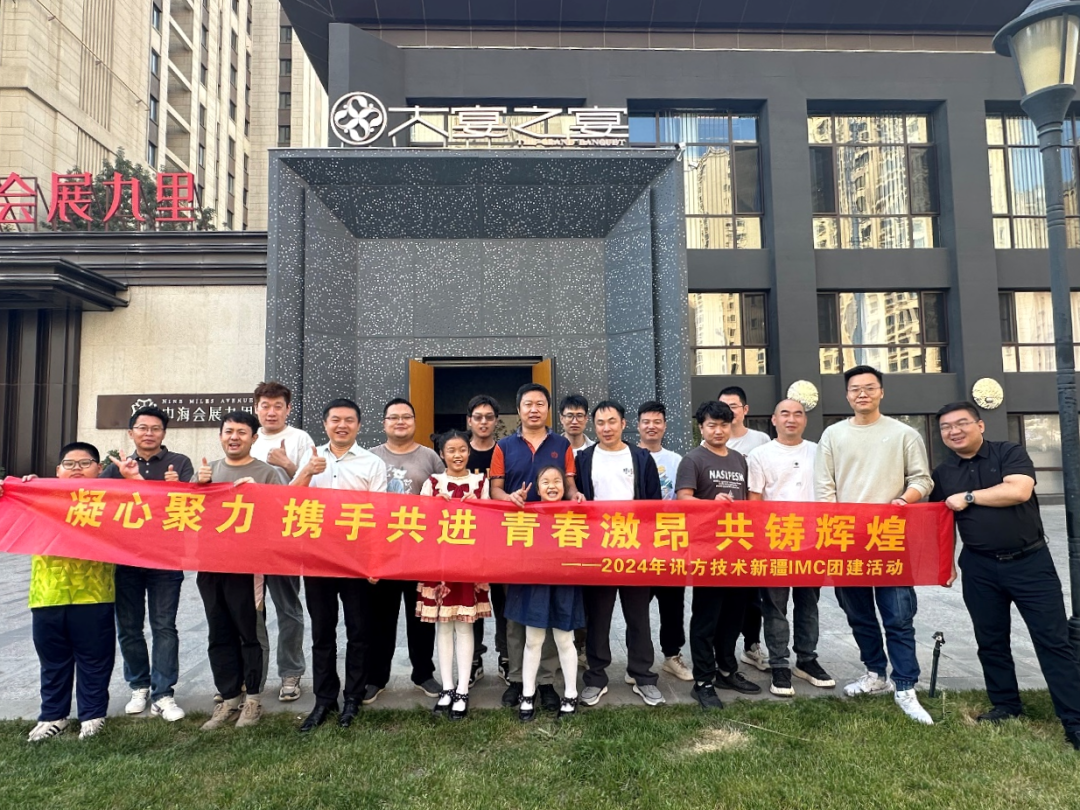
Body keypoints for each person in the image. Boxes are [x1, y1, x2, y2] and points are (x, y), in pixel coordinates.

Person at [931, 401, 1080, 747]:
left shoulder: (1009, 452)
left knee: (1052, 640)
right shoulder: (944, 472)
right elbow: (941, 519)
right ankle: (1006, 705)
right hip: (979, 566)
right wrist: (945, 562)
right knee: (991, 641)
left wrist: (969, 497)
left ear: (980, 425)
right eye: (946, 427)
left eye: (961, 423)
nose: (954, 431)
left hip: (1030, 563)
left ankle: (1074, 719)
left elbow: (1018, 490)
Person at [814, 365, 934, 725]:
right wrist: (837, 527)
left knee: (898, 615)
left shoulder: (903, 434)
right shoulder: (833, 434)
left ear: (881, 392)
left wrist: (903, 500)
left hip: (889, 538)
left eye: (869, 387)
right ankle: (875, 673)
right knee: (859, 613)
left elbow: (922, 479)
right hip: (846, 539)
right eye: (855, 389)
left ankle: (905, 686)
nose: (862, 394)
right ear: (847, 395)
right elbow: (824, 487)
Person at [13, 442, 132, 741]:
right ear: (58, 470)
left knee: (95, 659)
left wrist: (132, 480)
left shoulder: (111, 501)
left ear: (99, 469)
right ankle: (53, 716)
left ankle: (93, 715)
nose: (77, 468)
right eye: (69, 464)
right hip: (47, 594)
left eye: (85, 463)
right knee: (53, 661)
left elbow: (143, 512)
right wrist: (16, 488)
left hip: (94, 594)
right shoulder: (39, 498)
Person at [293, 398, 388, 731]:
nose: (342, 425)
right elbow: (290, 501)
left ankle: (353, 698)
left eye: (349, 420)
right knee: (322, 632)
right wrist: (307, 472)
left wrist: (375, 561)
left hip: (356, 560)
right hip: (318, 558)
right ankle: (324, 699)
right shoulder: (310, 457)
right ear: (325, 424)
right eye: (335, 420)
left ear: (359, 426)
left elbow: (379, 516)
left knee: (359, 631)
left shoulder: (372, 463)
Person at [490, 382, 583, 712]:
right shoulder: (503, 447)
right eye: (528, 404)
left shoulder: (561, 444)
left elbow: (569, 485)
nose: (534, 409)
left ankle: (546, 682)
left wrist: (576, 496)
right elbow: (495, 490)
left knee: (549, 611)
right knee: (518, 612)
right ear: (518, 409)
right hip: (517, 539)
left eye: (540, 403)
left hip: (555, 541)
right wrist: (509, 497)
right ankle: (517, 679)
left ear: (548, 409)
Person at [191, 411, 286, 731]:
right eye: (229, 431)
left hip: (248, 567)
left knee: (250, 632)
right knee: (218, 631)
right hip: (210, 565)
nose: (234, 437)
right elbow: (188, 514)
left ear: (254, 438)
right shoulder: (208, 472)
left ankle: (254, 698)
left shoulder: (267, 473)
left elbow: (280, 516)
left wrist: (257, 497)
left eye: (242, 432)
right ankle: (229, 697)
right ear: (220, 436)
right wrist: (198, 487)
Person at [100, 405, 193, 723]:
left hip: (165, 559)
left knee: (164, 626)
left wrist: (175, 488)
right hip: (125, 558)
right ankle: (139, 685)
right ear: (131, 433)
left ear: (164, 433)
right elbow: (88, 497)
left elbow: (190, 505)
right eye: (142, 428)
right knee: (129, 627)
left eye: (155, 428)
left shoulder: (179, 463)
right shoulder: (115, 468)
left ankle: (163, 693)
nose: (149, 433)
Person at [575, 400, 664, 707]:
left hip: (635, 551)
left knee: (638, 617)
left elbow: (654, 505)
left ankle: (642, 676)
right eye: (600, 423)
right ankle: (596, 678)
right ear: (594, 426)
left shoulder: (641, 458)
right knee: (598, 618)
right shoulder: (584, 459)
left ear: (624, 424)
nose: (606, 428)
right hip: (598, 552)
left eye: (612, 421)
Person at [747, 399, 835, 696]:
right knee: (775, 606)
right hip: (776, 541)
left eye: (798, 414)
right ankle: (779, 664)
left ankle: (807, 660)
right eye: (784, 413)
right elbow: (755, 500)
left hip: (813, 541)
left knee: (808, 603)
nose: (791, 419)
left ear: (805, 420)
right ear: (774, 420)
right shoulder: (760, 454)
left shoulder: (819, 451)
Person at [676, 400, 761, 710]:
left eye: (724, 425)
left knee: (733, 616)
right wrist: (712, 505)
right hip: (707, 552)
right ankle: (703, 680)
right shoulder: (693, 459)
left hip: (737, 551)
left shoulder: (739, 459)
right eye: (712, 425)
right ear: (701, 427)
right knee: (706, 618)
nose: (718, 430)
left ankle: (727, 670)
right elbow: (683, 499)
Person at [368, 398, 443, 701]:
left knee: (421, 617)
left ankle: (423, 673)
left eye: (406, 417)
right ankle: (376, 677)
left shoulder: (430, 457)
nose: (400, 422)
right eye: (393, 417)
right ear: (384, 423)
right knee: (380, 619)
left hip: (420, 552)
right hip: (382, 552)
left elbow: (444, 497)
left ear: (414, 421)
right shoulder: (370, 457)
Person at [418, 429, 492, 720]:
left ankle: (463, 688)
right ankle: (447, 687)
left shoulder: (480, 482)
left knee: (465, 626)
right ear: (442, 454)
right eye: (451, 450)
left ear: (469, 452)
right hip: (440, 565)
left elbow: (488, 523)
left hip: (469, 565)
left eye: (462, 449)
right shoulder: (432, 483)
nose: (457, 455)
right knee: (443, 627)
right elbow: (423, 523)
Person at [251, 380, 315, 703]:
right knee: (251, 610)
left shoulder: (300, 439)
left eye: (278, 406)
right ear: (256, 409)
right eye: (265, 406)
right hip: (250, 540)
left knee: (288, 608)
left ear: (288, 409)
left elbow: (312, 489)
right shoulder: (247, 438)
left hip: (286, 539)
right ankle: (252, 677)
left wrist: (287, 465)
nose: (271, 412)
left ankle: (291, 672)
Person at [505, 466, 585, 721]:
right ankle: (528, 694)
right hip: (535, 587)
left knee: (564, 640)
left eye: (557, 481)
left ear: (565, 486)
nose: (552, 486)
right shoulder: (525, 515)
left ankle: (570, 694)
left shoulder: (575, 514)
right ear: (537, 489)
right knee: (533, 640)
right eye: (545, 482)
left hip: (565, 586)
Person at [637, 400, 692, 682]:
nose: (651, 427)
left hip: (670, 542)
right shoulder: (630, 457)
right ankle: (637, 658)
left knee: (672, 603)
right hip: (637, 544)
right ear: (637, 426)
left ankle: (672, 655)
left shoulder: (676, 460)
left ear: (665, 426)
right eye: (646, 422)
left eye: (657, 422)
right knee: (636, 606)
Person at [718, 386, 771, 673]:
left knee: (753, 594)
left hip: (754, 529)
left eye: (733, 406)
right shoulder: (714, 442)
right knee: (724, 595)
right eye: (723, 406)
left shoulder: (760, 440)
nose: (728, 412)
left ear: (745, 410)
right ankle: (721, 651)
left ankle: (752, 645)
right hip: (723, 532)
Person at [465, 394, 501, 685]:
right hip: (468, 540)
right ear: (469, 421)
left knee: (503, 601)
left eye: (489, 417)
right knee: (471, 602)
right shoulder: (459, 452)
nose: (484, 422)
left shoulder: (505, 452)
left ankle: (506, 657)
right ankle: (474, 658)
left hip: (502, 539)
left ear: (496, 421)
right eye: (478, 417)